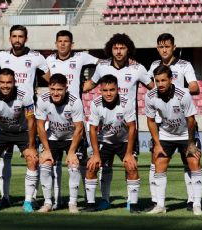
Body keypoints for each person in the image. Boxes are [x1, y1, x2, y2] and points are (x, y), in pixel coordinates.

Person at [82, 33, 154, 210]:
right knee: (102, 167)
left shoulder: (138, 68)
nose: (119, 51)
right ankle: (104, 200)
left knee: (130, 165)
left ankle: (132, 202)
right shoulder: (103, 67)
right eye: (115, 48)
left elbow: (154, 88)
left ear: (128, 49)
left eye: (122, 48)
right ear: (110, 49)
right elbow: (88, 86)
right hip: (105, 131)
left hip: (127, 128)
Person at [0, 25, 49, 208]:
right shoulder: (0, 57)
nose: (17, 39)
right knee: (4, 158)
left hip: (27, 114)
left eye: (20, 36)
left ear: (26, 38)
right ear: (10, 38)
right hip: (6, 114)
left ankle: (30, 199)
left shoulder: (36, 57)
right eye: (14, 36)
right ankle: (4, 196)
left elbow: (50, 77)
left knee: (33, 157)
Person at [146, 33, 200, 212]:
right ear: (157, 48)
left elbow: (195, 87)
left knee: (189, 160)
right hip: (162, 123)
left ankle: (193, 200)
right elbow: (148, 84)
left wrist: (177, 92)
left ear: (173, 48)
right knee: (156, 160)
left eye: (167, 46)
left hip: (182, 119)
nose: (164, 50)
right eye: (161, 47)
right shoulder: (154, 65)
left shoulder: (184, 65)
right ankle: (156, 201)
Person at [45, 30, 98, 209]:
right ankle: (56, 199)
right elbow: (43, 73)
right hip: (55, 113)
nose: (62, 44)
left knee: (78, 162)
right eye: (59, 41)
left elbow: (101, 64)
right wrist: (52, 83)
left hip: (74, 112)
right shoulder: (49, 60)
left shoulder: (81, 57)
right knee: (53, 164)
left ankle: (83, 200)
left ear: (71, 44)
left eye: (66, 41)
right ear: (56, 43)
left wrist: (91, 83)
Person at [0, 68, 38, 213]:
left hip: (22, 131)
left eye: (9, 82)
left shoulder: (25, 95)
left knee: (32, 159)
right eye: (2, 82)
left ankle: (28, 202)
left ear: (14, 82)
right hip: (2, 131)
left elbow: (31, 121)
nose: (5, 85)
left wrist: (31, 146)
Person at [82, 75, 141, 213]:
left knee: (131, 166)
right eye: (105, 90)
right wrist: (96, 154)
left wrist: (128, 154)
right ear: (100, 91)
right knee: (92, 166)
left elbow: (133, 127)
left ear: (118, 89)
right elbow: (92, 129)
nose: (108, 93)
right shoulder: (95, 104)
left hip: (124, 141)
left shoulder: (126, 103)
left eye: (112, 90)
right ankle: (93, 204)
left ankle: (133, 204)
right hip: (105, 141)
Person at [35, 73, 86, 213]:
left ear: (66, 89)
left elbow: (79, 128)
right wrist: (46, 149)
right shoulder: (43, 100)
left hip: (72, 137)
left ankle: (72, 204)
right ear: (49, 88)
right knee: (45, 164)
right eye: (52, 89)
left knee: (74, 166)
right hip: (53, 137)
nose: (55, 93)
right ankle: (47, 203)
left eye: (59, 89)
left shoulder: (75, 101)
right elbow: (40, 125)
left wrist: (71, 152)